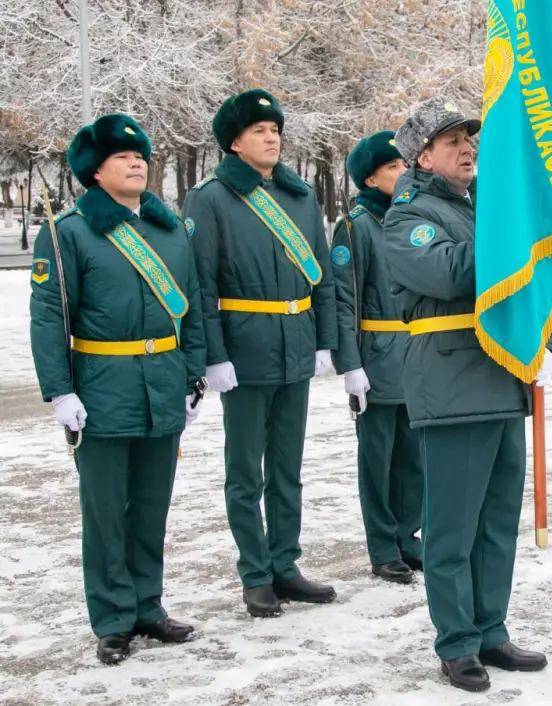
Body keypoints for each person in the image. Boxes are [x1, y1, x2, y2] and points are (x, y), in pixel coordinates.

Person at [382, 97, 552, 693]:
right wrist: (517, 232)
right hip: (453, 383)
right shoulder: (406, 215)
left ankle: (491, 629)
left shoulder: (487, 206)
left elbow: (535, 280)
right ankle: (457, 642)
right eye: (452, 141)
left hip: (504, 377)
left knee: (496, 524)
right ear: (422, 156)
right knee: (452, 529)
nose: (467, 149)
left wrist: (548, 344)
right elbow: (449, 272)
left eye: (469, 139)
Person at [29, 114, 207, 664]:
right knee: (106, 510)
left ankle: (148, 606)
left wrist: (192, 376)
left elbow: (192, 308)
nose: (135, 164)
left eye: (139, 157)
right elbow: (49, 316)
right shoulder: (69, 231)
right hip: (101, 387)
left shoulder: (170, 229)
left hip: (163, 383)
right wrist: (60, 391)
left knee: (151, 506)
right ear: (95, 170)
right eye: (121, 158)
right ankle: (112, 619)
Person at [183, 88, 340, 616]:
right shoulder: (210, 198)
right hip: (244, 350)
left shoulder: (300, 196)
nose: (271, 138)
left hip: (296, 344)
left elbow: (323, 276)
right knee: (245, 471)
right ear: (234, 142)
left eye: (275, 130)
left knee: (288, 467)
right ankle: (255, 574)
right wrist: (214, 356)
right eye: (259, 131)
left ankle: (285, 565)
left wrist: (324, 341)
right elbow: (200, 286)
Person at [330, 130, 423, 584]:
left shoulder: (413, 218)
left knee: (414, 457)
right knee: (378, 460)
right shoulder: (356, 226)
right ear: (370, 179)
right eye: (392, 167)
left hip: (417, 355)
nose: (403, 173)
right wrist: (350, 365)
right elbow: (343, 299)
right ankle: (383, 548)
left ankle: (408, 536)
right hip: (378, 357)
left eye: (405, 165)